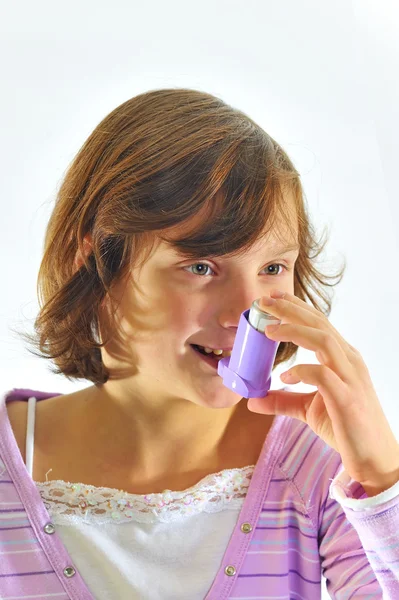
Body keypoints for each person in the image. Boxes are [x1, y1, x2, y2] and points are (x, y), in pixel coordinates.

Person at [1, 88, 398, 599]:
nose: (247, 314)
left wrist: (381, 475)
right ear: (96, 267)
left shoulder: (319, 473)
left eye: (272, 268)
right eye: (202, 267)